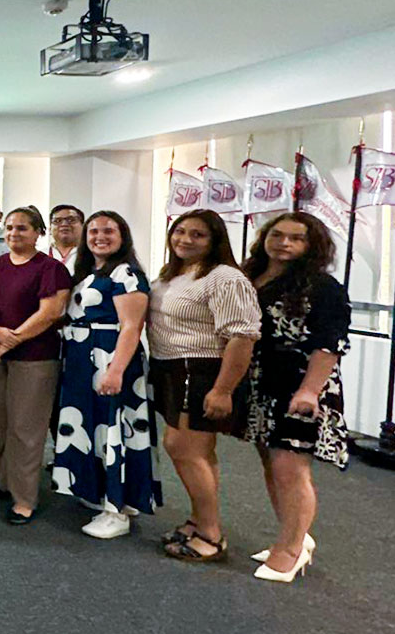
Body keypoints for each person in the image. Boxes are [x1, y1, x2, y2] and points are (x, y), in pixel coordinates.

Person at [241, 212, 350, 583]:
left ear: (311, 245)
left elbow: (329, 343)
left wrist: (309, 391)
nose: (284, 243)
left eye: (296, 238)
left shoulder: (322, 287)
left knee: (291, 470)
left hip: (301, 387)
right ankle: (293, 535)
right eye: (277, 235)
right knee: (272, 465)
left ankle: (291, 550)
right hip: (260, 384)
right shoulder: (252, 276)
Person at [148, 209, 261, 562]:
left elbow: (243, 336)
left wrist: (223, 390)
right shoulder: (175, 273)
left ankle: (210, 534)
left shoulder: (225, 278)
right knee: (198, 452)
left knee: (183, 448)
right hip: (171, 368)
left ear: (214, 241)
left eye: (197, 234)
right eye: (179, 231)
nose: (185, 239)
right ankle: (199, 519)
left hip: (200, 372)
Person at [51, 211, 158, 538]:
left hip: (109, 358)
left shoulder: (127, 274)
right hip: (82, 360)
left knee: (114, 430)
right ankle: (102, 493)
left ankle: (117, 509)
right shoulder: (88, 272)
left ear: (123, 235)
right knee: (93, 430)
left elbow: (131, 326)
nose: (100, 236)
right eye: (94, 231)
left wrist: (115, 370)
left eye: (108, 230)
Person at [0, 206, 70, 525]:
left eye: (23, 228)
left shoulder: (50, 268)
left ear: (39, 232)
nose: (14, 233)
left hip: (34, 359)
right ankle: (0, 480)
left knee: (25, 429)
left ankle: (24, 499)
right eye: (10, 228)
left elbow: (50, 312)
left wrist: (10, 341)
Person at [45, 204, 84, 270]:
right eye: (57, 221)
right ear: (50, 229)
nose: (64, 224)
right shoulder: (39, 257)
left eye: (71, 220)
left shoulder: (91, 255)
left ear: (83, 227)